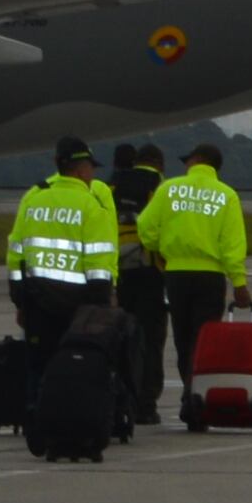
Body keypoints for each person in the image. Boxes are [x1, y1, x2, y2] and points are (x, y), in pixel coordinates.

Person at [138, 140, 252, 427]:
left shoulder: (169, 189)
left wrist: (161, 249)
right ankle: (195, 399)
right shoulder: (226, 195)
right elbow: (233, 244)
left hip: (176, 275)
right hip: (210, 277)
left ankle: (190, 395)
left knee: (182, 339)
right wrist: (239, 282)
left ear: (197, 160)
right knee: (203, 342)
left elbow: (145, 226)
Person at [5, 138, 123, 362]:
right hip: (78, 310)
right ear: (80, 171)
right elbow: (99, 264)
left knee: (38, 372)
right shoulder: (92, 206)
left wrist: (20, 302)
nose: (92, 175)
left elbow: (15, 255)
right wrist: (103, 305)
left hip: (37, 306)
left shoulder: (33, 200)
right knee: (75, 374)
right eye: (91, 168)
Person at [107, 141, 173, 424]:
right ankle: (146, 405)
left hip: (117, 270)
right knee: (151, 339)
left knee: (120, 338)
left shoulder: (112, 184)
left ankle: (120, 400)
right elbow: (165, 224)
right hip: (150, 271)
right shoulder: (160, 185)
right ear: (159, 164)